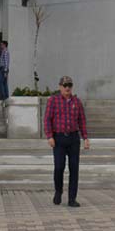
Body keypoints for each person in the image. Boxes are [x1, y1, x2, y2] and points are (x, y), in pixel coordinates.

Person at [43, 76, 89, 207]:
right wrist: (49, 136)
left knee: (74, 169)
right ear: (60, 87)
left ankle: (72, 199)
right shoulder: (53, 100)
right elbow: (47, 119)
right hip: (58, 139)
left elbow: (82, 121)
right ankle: (58, 191)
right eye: (65, 85)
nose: (67, 88)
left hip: (73, 139)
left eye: (69, 85)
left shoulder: (77, 102)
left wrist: (85, 138)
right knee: (59, 167)